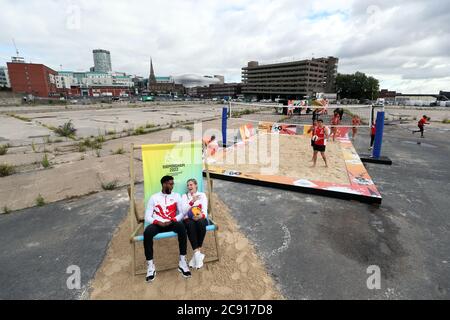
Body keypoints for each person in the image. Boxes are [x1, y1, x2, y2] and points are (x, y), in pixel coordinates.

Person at [144, 176, 191, 282]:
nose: (172, 186)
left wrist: (173, 220)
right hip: (158, 224)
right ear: (164, 184)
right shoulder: (154, 197)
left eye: (173, 184)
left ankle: (182, 262)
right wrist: (157, 222)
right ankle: (150, 266)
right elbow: (147, 216)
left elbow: (182, 213)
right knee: (147, 233)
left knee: (182, 228)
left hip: (171, 222)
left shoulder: (176, 196)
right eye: (170, 184)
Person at [182, 179, 208, 270]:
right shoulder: (185, 196)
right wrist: (192, 201)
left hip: (200, 217)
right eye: (188, 185)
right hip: (188, 219)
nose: (189, 187)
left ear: (196, 185)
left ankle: (196, 255)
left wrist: (201, 215)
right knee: (190, 224)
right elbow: (184, 211)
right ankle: (198, 254)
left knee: (201, 223)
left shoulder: (202, 195)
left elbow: (204, 210)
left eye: (191, 184)